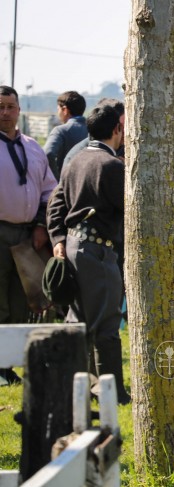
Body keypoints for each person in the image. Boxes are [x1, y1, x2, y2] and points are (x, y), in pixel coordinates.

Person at [47, 98, 130, 404]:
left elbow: (56, 203)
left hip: (73, 244)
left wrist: (57, 237)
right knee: (105, 324)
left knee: (78, 320)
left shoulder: (77, 160)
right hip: (97, 250)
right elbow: (129, 210)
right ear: (118, 129)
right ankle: (111, 393)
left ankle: (76, 388)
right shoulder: (110, 165)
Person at [0, 85, 57, 385]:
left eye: (10, 106)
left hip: (27, 234)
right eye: (0, 107)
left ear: (19, 110)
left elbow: (49, 189)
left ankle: (8, 367)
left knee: (22, 300)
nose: (5, 113)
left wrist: (40, 225)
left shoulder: (33, 147)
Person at [43, 91, 87, 178]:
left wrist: (57, 179)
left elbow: (48, 153)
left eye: (58, 109)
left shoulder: (60, 131)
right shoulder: (94, 130)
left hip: (66, 184)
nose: (58, 113)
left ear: (65, 110)